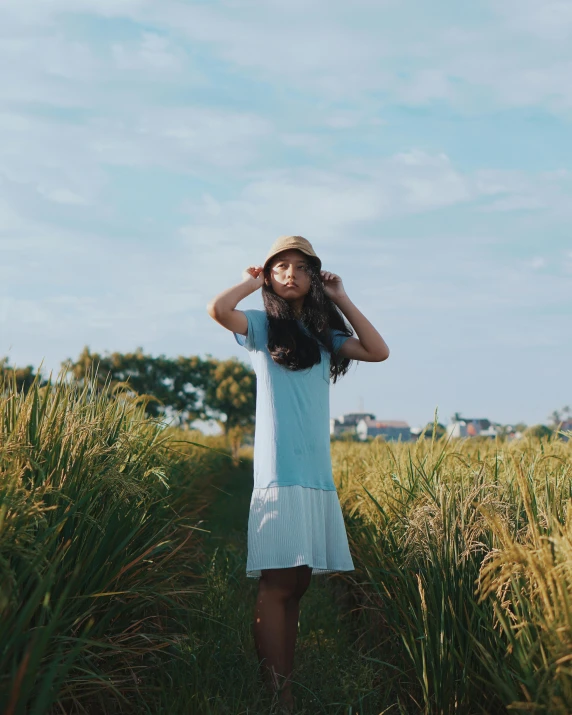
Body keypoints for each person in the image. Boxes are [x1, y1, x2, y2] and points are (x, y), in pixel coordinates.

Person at [206, 235, 389, 713]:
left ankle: (283, 686)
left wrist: (341, 297)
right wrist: (248, 284)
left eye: (301, 267)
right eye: (280, 267)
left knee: (298, 584)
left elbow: (378, 350)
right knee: (279, 583)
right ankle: (278, 694)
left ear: (314, 278)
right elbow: (216, 309)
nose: (291, 273)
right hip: (279, 472)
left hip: (315, 474)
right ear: (269, 276)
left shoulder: (324, 336)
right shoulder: (262, 327)